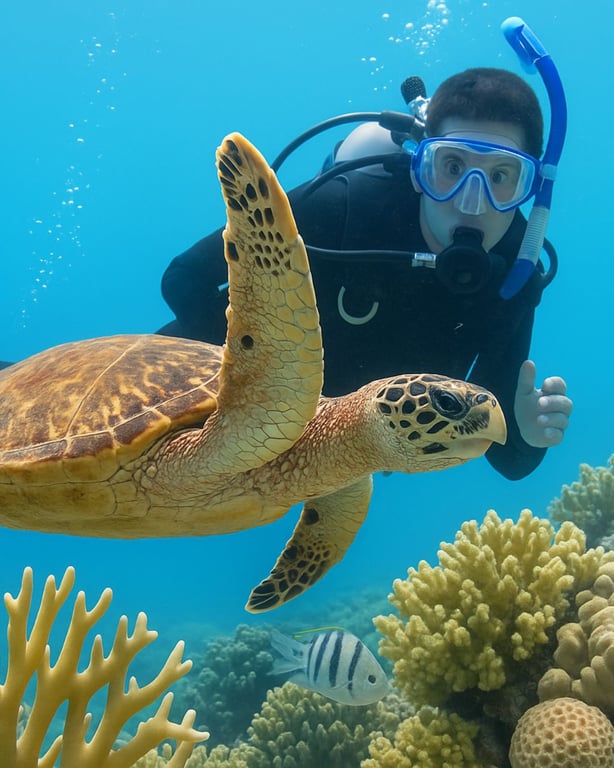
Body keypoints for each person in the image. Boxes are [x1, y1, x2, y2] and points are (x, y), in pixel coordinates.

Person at [158, 66, 572, 481]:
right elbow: (184, 278)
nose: (470, 201)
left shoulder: (514, 276)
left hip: (329, 460)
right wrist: (261, 381)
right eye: (451, 167)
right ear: (419, 166)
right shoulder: (345, 207)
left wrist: (530, 433)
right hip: (205, 395)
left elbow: (507, 456)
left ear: (531, 188)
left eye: (500, 176)